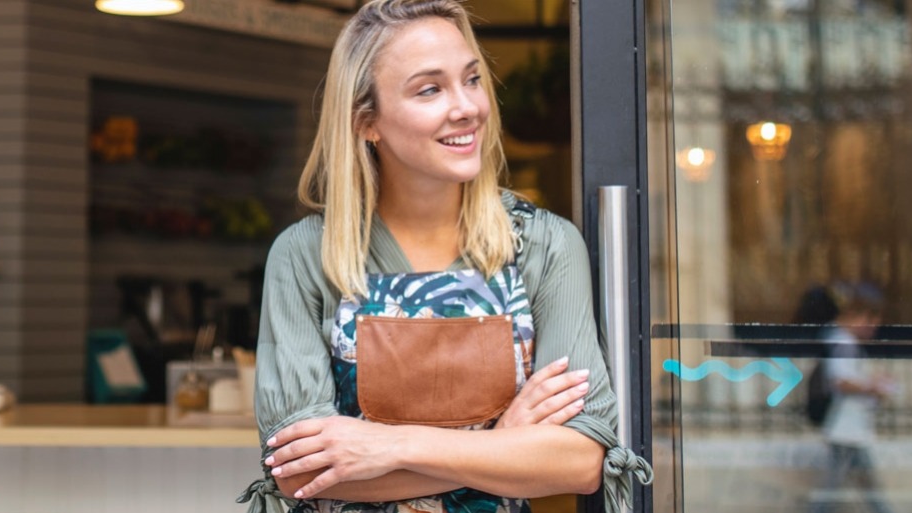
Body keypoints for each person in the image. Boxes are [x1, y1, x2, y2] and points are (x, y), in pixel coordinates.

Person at [237, 0, 651, 511]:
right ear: (368, 122)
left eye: (472, 79)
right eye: (430, 89)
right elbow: (301, 473)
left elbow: (581, 460)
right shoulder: (306, 256)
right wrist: (503, 446)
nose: (467, 107)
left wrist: (392, 445)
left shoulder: (542, 245)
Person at [809, 282, 896, 513]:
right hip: (845, 425)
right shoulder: (842, 342)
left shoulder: (841, 341)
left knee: (856, 486)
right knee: (835, 489)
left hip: (851, 427)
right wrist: (873, 386)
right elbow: (840, 381)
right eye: (871, 321)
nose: (874, 328)